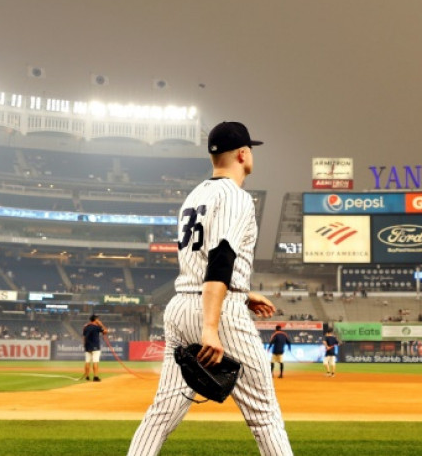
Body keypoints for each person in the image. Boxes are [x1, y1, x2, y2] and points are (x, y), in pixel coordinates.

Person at [128, 121, 293, 456]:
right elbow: (219, 258)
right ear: (244, 154)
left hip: (180, 307)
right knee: (265, 416)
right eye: (251, 151)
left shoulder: (195, 195)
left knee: (162, 413)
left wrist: (244, 293)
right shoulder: (236, 196)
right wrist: (210, 327)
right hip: (218, 313)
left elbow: (201, 261)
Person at [82, 314, 108, 381]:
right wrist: (101, 324)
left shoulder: (86, 327)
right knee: (95, 361)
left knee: (87, 362)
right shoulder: (96, 327)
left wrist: (85, 345)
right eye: (98, 319)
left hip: (87, 346)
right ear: (95, 319)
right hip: (95, 346)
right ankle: (95, 376)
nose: (99, 320)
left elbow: (84, 337)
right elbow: (105, 331)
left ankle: (87, 376)